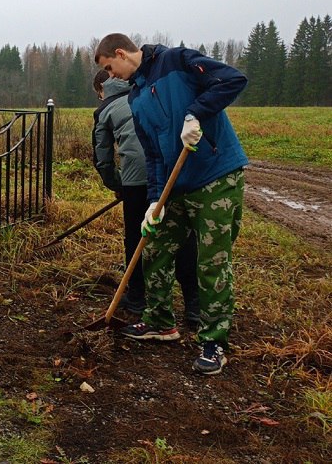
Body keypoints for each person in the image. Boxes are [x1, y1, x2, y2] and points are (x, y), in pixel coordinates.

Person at [94, 34, 248, 375]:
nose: (112, 75)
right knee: (155, 247)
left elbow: (233, 79)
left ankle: (215, 342)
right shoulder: (135, 96)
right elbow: (153, 155)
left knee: (211, 261)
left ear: (120, 53)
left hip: (215, 176)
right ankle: (161, 323)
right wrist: (154, 202)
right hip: (174, 186)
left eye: (110, 67)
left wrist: (196, 114)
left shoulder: (176, 61)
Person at [91, 70, 199, 322]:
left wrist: (118, 184)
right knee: (183, 237)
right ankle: (194, 306)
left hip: (137, 179)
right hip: (172, 174)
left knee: (136, 237)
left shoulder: (105, 110)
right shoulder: (148, 93)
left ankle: (137, 298)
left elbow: (103, 158)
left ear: (100, 89)